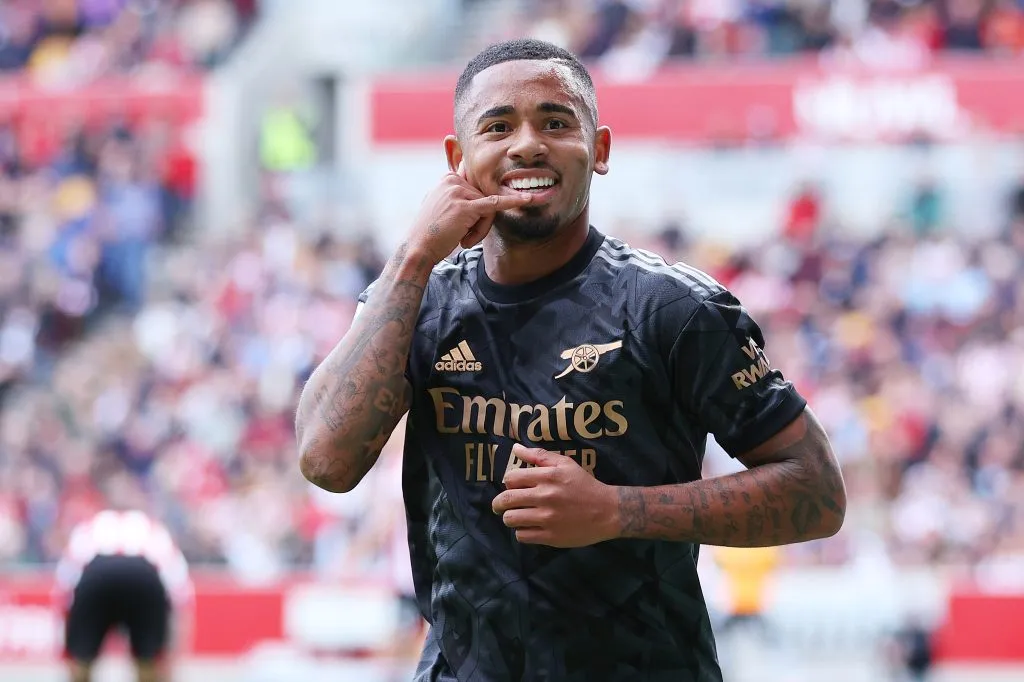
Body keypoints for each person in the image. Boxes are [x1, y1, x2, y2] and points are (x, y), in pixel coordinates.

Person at [296, 38, 847, 681]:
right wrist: (414, 256)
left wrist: (617, 511)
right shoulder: (418, 299)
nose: (526, 144)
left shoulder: (671, 309)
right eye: (497, 126)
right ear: (458, 159)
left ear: (601, 150)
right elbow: (325, 461)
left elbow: (818, 493)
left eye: (556, 123)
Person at [54, 509, 193, 682]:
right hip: (144, 576)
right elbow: (181, 596)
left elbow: (64, 587)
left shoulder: (88, 528)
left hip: (96, 575)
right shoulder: (155, 530)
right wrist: (172, 658)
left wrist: (70, 649)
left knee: (82, 660)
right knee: (148, 661)